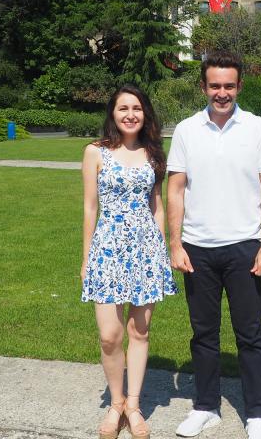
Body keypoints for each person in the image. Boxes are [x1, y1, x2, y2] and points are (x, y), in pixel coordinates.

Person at [166, 52, 261, 439]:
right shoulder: (186, 130)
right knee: (203, 334)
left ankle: (256, 414)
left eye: (229, 85)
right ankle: (205, 407)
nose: (222, 92)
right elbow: (175, 189)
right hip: (197, 248)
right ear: (203, 87)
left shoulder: (258, 129)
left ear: (239, 86)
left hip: (245, 247)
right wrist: (175, 243)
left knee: (250, 334)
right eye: (215, 85)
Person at [81, 84, 178, 439]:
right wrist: (86, 259)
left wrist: (161, 252)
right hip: (107, 249)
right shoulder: (95, 152)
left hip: (145, 250)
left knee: (139, 331)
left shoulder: (153, 154)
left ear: (145, 113)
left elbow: (157, 206)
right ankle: (115, 403)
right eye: (123, 108)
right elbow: (90, 207)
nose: (130, 114)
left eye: (136, 108)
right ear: (112, 113)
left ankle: (133, 406)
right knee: (110, 335)